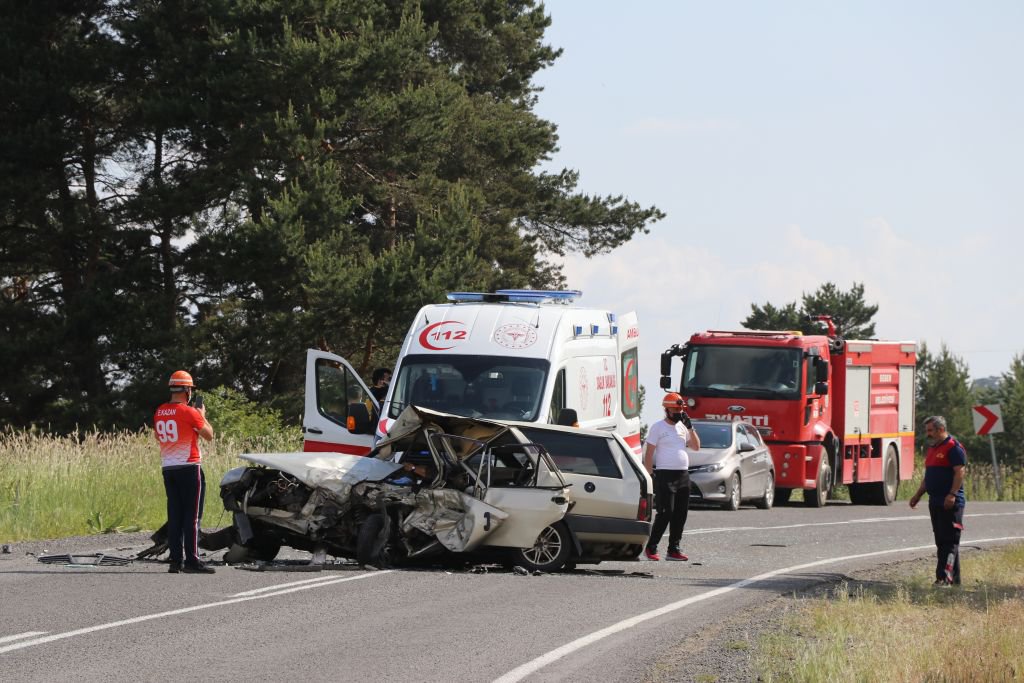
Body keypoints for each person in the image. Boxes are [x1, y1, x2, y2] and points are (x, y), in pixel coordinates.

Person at [154, 370, 216, 574]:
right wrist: (202, 416)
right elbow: (209, 436)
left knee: (175, 514)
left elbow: (159, 437)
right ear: (187, 390)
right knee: (192, 516)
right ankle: (192, 560)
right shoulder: (189, 412)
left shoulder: (159, 411)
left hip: (168, 467)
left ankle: (175, 560)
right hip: (189, 467)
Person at [909, 415, 967, 586]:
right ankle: (954, 581)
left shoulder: (953, 448)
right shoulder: (933, 448)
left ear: (941, 429)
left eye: (930, 430)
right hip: (934, 501)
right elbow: (929, 477)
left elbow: (960, 472)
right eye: (927, 430)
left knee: (949, 542)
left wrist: (952, 494)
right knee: (941, 541)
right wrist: (917, 495)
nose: (928, 434)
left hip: (950, 502)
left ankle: (943, 579)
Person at [643, 392, 701, 561]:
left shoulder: (683, 427)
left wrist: (690, 427)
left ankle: (673, 549)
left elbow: (696, 446)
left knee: (680, 513)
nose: (679, 413)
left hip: (683, 475)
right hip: (664, 475)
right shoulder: (658, 427)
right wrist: (650, 475)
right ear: (667, 410)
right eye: (675, 410)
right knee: (665, 512)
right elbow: (649, 453)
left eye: (680, 410)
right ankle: (651, 547)